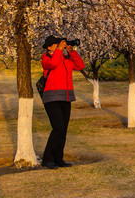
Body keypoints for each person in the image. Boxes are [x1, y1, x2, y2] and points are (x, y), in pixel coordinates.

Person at [40, 35, 85, 169]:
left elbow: (80, 65)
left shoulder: (65, 59)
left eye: (60, 43)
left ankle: (58, 159)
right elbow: (52, 65)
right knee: (58, 128)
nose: (59, 45)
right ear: (49, 47)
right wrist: (59, 50)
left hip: (66, 97)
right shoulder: (46, 58)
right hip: (51, 97)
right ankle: (47, 159)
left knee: (63, 130)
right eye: (56, 44)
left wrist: (71, 52)